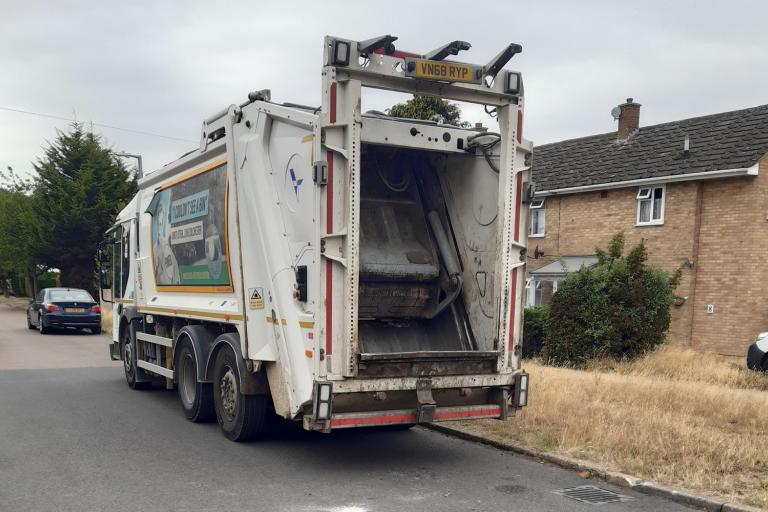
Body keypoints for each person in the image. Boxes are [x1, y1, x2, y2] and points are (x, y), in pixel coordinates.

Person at [154, 199, 180, 285]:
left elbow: (170, 276)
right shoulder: (155, 249)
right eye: (158, 223)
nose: (159, 227)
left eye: (161, 223)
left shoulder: (166, 249)